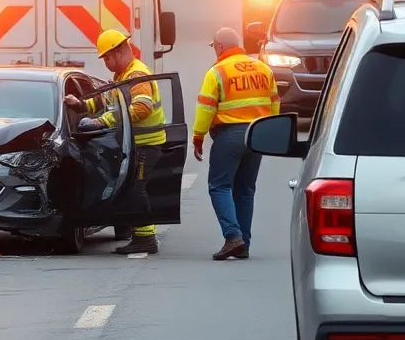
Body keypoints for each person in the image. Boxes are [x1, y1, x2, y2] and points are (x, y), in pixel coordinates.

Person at [65, 29, 167, 256]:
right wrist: (80, 104)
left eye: (107, 58)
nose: (106, 63)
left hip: (145, 144)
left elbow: (142, 108)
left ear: (119, 52)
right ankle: (140, 234)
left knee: (135, 188)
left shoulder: (136, 75)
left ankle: (145, 238)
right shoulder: (122, 76)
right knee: (132, 187)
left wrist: (103, 121)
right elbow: (105, 101)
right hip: (135, 144)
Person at [192, 27, 279, 261]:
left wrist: (198, 136)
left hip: (230, 135)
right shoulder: (263, 68)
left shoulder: (218, 71)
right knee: (245, 190)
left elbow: (206, 107)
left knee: (219, 186)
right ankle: (244, 243)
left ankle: (233, 237)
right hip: (258, 136)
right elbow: (274, 104)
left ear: (219, 46)